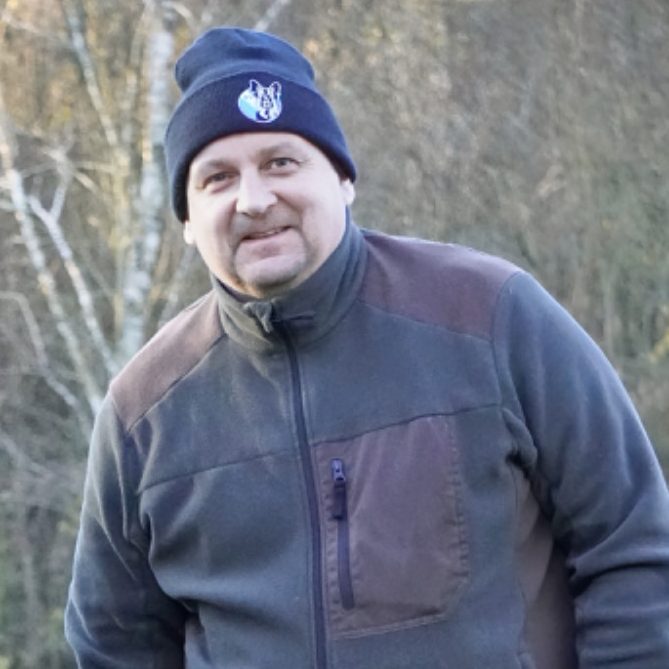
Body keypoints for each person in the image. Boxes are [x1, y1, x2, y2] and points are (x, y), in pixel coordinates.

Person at [64, 26, 669, 669]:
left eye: (281, 162)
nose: (255, 199)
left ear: (343, 178)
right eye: (218, 178)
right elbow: (112, 646)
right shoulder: (143, 413)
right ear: (187, 220)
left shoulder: (490, 317)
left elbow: (631, 547)